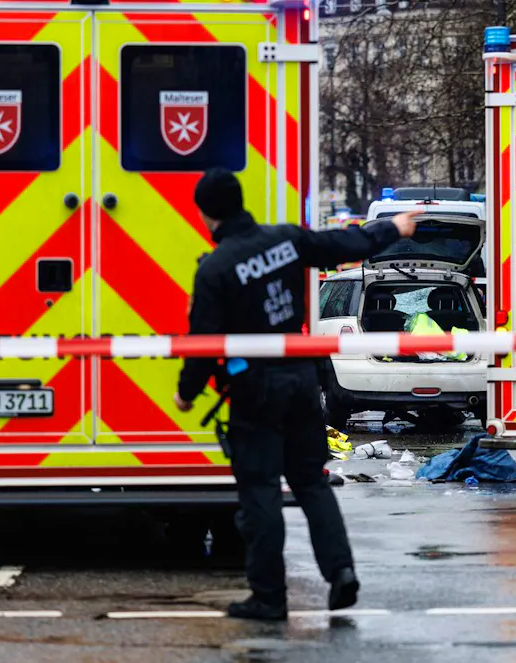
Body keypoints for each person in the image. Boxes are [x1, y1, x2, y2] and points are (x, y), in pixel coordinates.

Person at [173, 168, 418, 621]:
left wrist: (186, 393)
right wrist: (393, 227)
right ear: (241, 201)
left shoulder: (216, 268)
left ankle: (269, 598)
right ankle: (341, 571)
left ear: (206, 214)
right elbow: (342, 244)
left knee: (261, 491)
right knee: (310, 482)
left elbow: (202, 342)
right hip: (302, 382)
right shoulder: (284, 240)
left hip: (255, 392)